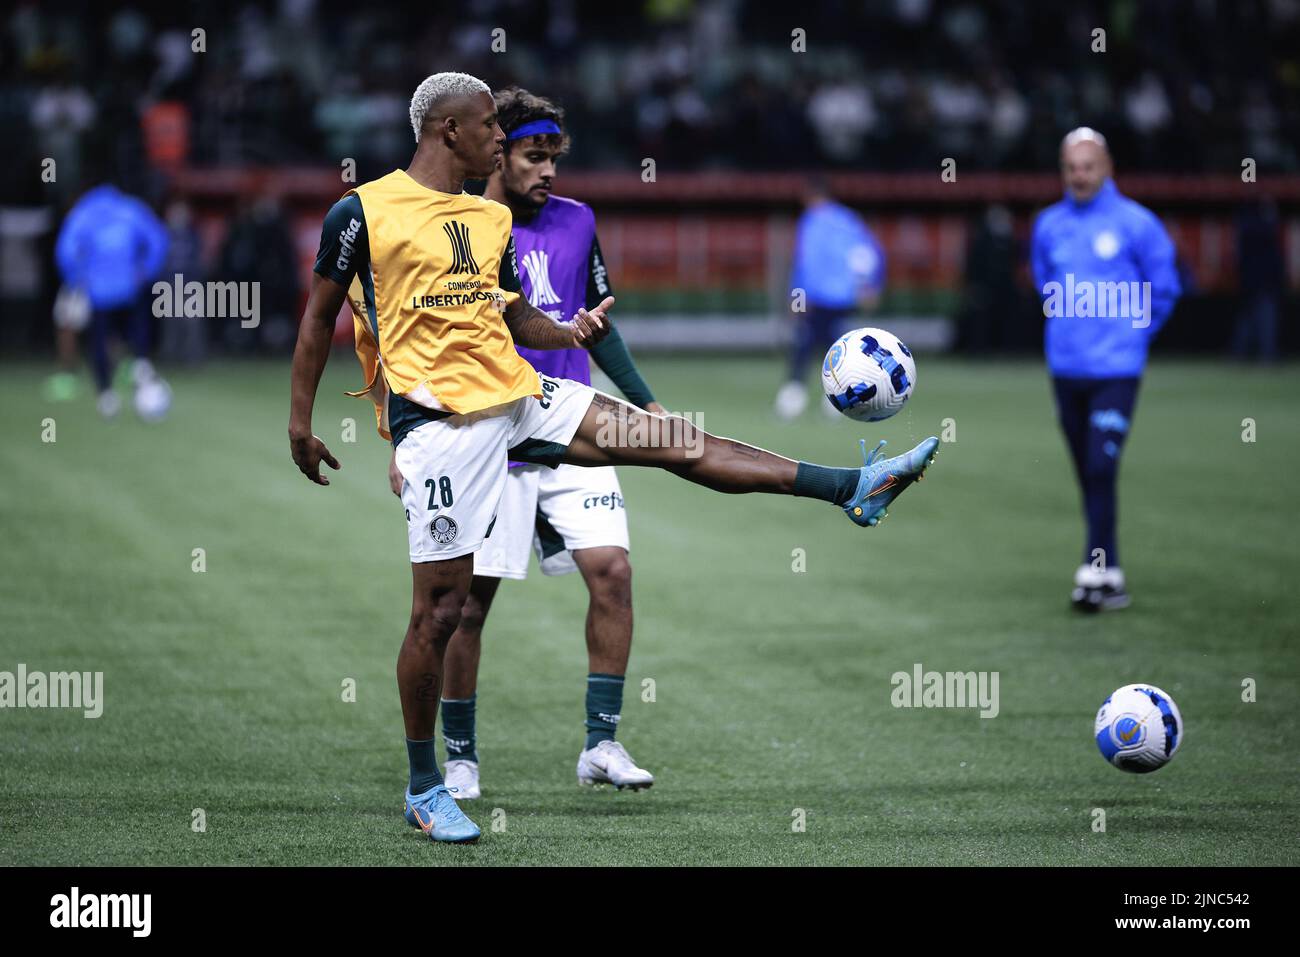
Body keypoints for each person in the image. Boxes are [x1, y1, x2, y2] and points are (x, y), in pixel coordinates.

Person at [288, 72, 940, 845]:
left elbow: (510, 311)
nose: (503, 141)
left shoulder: (484, 218)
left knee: (674, 441)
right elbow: (317, 318)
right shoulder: (361, 211)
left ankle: (854, 486)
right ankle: (427, 784)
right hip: (441, 426)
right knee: (441, 611)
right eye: (491, 128)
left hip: (524, 395)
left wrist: (567, 335)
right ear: (446, 130)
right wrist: (300, 422)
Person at [379, 87, 664, 800]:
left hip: (565, 422)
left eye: (554, 158)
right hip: (483, 431)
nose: (549, 172)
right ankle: (464, 756)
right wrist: (404, 436)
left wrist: (648, 405)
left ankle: (601, 744)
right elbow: (406, 333)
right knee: (469, 606)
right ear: (499, 152)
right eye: (535, 157)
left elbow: (596, 322)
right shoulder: (460, 223)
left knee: (615, 572)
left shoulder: (578, 221)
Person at [1031, 128, 1182, 612]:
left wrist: (1133, 336)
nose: (1080, 174)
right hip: (1066, 369)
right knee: (1089, 473)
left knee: (1101, 464)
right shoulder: (1048, 225)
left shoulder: (1137, 224)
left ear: (1107, 166)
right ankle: (1109, 571)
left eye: (1088, 165)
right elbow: (1044, 281)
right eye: (1071, 166)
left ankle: (1093, 571)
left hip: (1116, 369)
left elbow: (1166, 287)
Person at [54, 180, 170, 418]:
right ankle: (140, 365)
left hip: (98, 292)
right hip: (130, 287)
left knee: (100, 340)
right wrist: (147, 270)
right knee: (135, 332)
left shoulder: (84, 213)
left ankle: (106, 394)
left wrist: (77, 277)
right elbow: (158, 239)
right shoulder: (131, 208)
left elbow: (65, 250)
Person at [775, 176, 885, 420]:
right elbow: (869, 254)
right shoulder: (850, 220)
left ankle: (794, 395)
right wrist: (870, 285)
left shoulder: (811, 221)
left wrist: (798, 299)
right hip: (845, 295)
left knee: (805, 343)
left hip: (818, 294)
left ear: (811, 196)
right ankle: (841, 398)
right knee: (838, 345)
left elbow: (806, 263)